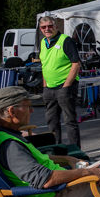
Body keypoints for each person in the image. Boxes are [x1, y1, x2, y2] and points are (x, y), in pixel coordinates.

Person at [38, 16, 82, 147]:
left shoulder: (65, 41)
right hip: (49, 88)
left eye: (50, 26)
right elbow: (44, 65)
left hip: (65, 87)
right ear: (40, 29)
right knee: (52, 121)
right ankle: (56, 149)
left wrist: (66, 86)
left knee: (70, 121)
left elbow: (76, 64)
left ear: (56, 26)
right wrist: (45, 86)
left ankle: (76, 151)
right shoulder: (43, 42)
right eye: (43, 27)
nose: (47, 29)